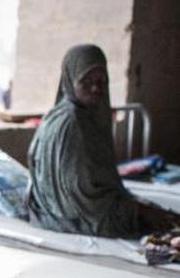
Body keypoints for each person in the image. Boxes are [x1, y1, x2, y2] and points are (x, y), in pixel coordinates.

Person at [27, 44, 180, 238]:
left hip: (75, 207)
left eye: (102, 80)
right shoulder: (72, 123)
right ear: (70, 79)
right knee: (156, 219)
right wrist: (137, 211)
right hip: (76, 215)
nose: (95, 87)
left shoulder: (76, 114)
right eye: (86, 80)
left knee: (157, 214)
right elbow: (80, 199)